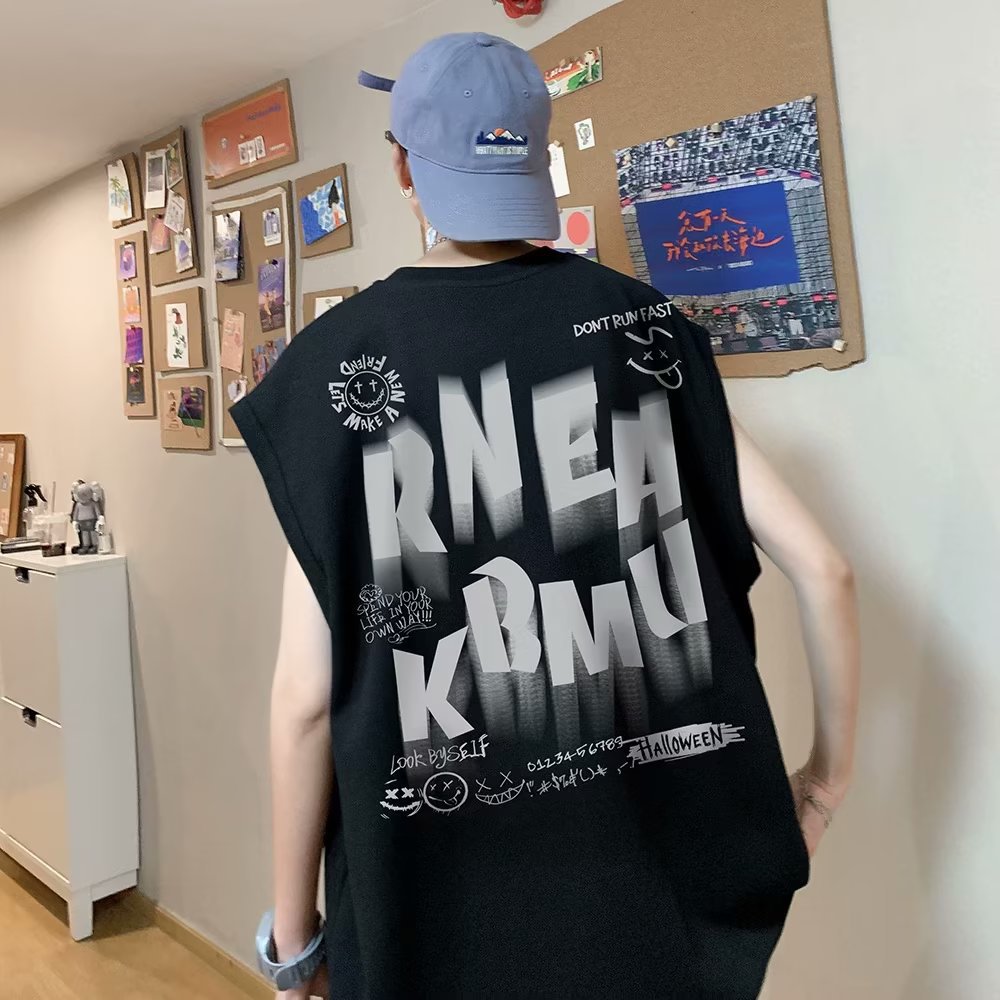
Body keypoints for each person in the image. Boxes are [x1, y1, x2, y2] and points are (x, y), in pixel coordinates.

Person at [232, 32, 860, 1000]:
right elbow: (825, 569)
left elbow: (306, 698)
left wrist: (295, 941)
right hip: (650, 912)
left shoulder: (329, 370)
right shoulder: (643, 326)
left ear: (402, 169)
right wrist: (820, 784)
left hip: (431, 916)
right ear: (535, 158)